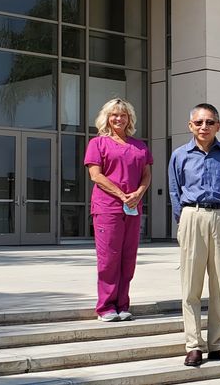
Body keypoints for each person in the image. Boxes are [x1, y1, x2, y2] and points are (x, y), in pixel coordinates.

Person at [168, 103, 220, 367]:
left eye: (209, 122)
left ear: (218, 126)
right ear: (191, 126)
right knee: (191, 285)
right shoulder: (180, 155)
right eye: (199, 122)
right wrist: (184, 219)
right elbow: (174, 190)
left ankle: (219, 343)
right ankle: (194, 345)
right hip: (192, 216)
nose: (204, 127)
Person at [84, 98, 152, 323]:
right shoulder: (98, 144)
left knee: (127, 258)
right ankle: (105, 307)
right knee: (108, 258)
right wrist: (122, 195)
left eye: (123, 115)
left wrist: (138, 193)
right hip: (107, 208)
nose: (118, 119)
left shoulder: (140, 146)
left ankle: (123, 305)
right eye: (114, 115)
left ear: (129, 118)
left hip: (132, 207)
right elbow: (96, 175)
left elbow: (146, 175)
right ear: (107, 118)